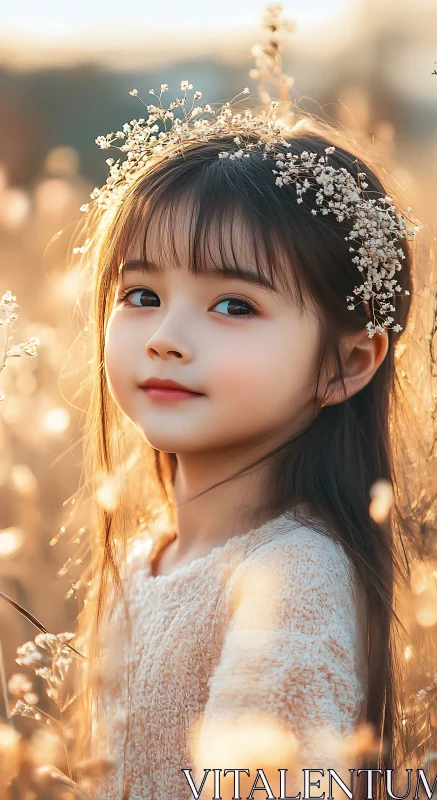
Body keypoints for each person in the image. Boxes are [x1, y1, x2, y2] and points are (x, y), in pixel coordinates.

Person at [72, 81, 418, 800]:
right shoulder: (147, 560)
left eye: (234, 304)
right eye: (142, 296)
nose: (166, 339)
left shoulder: (291, 577)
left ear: (347, 363)